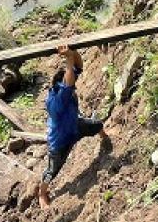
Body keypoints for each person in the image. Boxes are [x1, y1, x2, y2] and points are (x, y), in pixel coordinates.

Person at [39, 45, 109, 208]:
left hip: (75, 126)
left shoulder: (64, 88)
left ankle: (104, 137)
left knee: (97, 125)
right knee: (52, 171)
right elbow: (69, 80)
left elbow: (78, 67)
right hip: (60, 142)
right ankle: (42, 193)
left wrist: (73, 51)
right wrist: (68, 58)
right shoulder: (57, 101)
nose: (73, 87)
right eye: (70, 86)